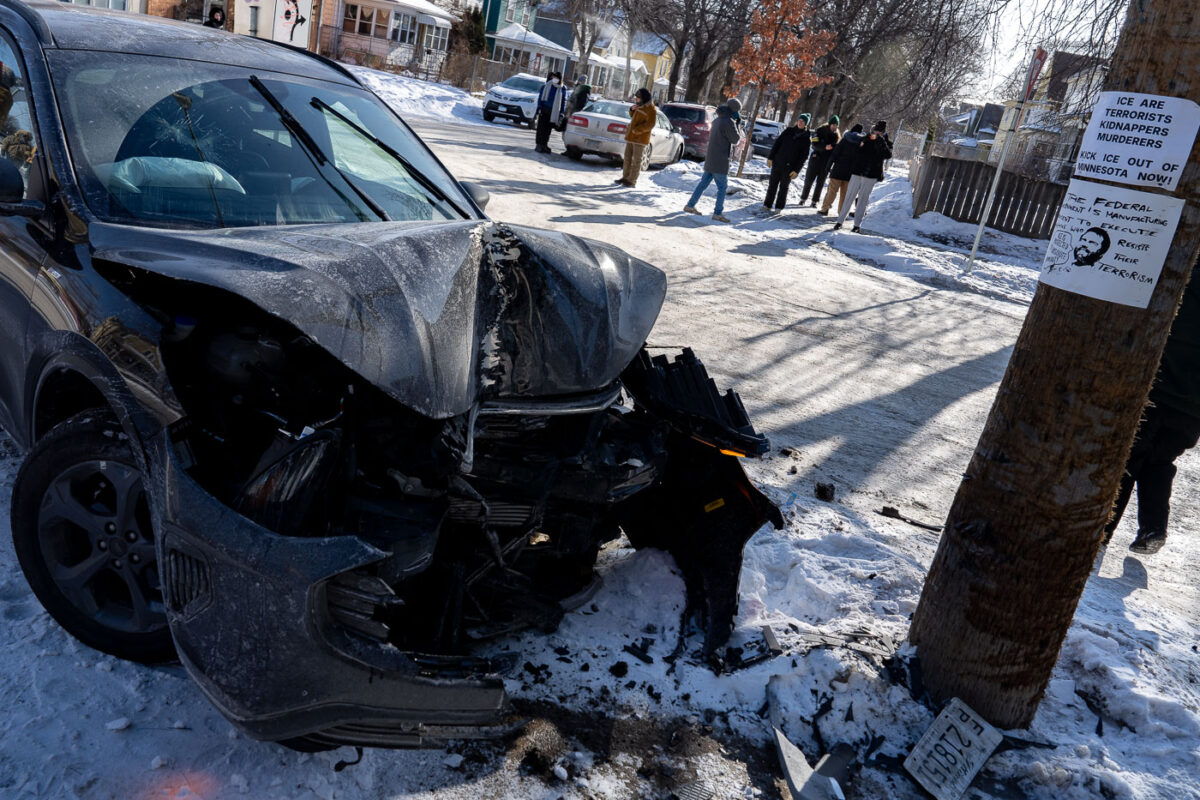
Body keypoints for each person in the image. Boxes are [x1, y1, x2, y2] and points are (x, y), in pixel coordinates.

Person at [1104, 265, 1200, 554]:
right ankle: (1153, 527)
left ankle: (1101, 528)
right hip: (1193, 408)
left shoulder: (1185, 273)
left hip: (1156, 389)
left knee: (1128, 457)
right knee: (1159, 461)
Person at [683, 97, 741, 222]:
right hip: (720, 160)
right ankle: (718, 213)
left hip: (711, 158)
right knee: (722, 187)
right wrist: (737, 124)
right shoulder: (729, 122)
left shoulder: (717, 119)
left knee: (703, 184)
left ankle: (690, 205)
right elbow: (735, 139)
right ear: (735, 110)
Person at [833, 120, 892, 232]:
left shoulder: (885, 142)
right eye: (875, 130)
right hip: (857, 172)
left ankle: (857, 225)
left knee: (863, 200)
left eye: (879, 131)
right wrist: (865, 142)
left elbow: (888, 155)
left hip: (871, 175)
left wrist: (881, 142)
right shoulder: (866, 138)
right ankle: (839, 221)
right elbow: (856, 151)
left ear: (883, 132)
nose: (877, 133)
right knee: (849, 197)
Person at [763, 113, 810, 212]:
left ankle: (779, 207)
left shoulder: (806, 138)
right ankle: (767, 204)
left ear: (806, 124)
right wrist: (770, 157)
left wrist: (796, 170)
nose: (800, 123)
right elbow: (777, 143)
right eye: (799, 120)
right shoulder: (788, 131)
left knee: (784, 187)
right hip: (778, 162)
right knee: (772, 185)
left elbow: (803, 157)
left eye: (803, 122)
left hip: (790, 167)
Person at [818, 123, 862, 216]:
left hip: (838, 170)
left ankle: (825, 209)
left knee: (832, 191)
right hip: (850, 173)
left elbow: (835, 154)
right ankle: (841, 212)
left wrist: (828, 166)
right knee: (845, 195)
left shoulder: (844, 140)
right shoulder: (860, 144)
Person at [617, 87, 656, 187]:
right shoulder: (639, 106)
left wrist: (637, 130)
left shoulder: (651, 109)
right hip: (631, 137)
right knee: (627, 158)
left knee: (636, 160)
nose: (636, 99)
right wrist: (631, 110)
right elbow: (633, 117)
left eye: (638, 97)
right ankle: (625, 177)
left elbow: (650, 124)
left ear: (643, 98)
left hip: (640, 139)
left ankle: (632, 180)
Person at [800, 115, 840, 207]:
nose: (835, 127)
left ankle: (815, 201)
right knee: (809, 180)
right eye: (833, 125)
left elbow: (835, 150)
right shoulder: (819, 131)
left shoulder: (836, 136)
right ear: (830, 124)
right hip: (815, 159)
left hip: (826, 162)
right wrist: (824, 147)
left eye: (836, 126)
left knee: (820, 183)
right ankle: (803, 198)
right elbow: (814, 144)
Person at [535, 72, 568, 154]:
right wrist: (539, 107)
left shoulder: (562, 88)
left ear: (560, 79)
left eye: (557, 78)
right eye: (554, 77)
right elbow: (540, 97)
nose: (555, 79)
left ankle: (544, 145)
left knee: (548, 130)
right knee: (541, 129)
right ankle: (539, 144)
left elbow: (563, 101)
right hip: (544, 109)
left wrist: (562, 113)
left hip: (554, 112)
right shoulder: (546, 85)